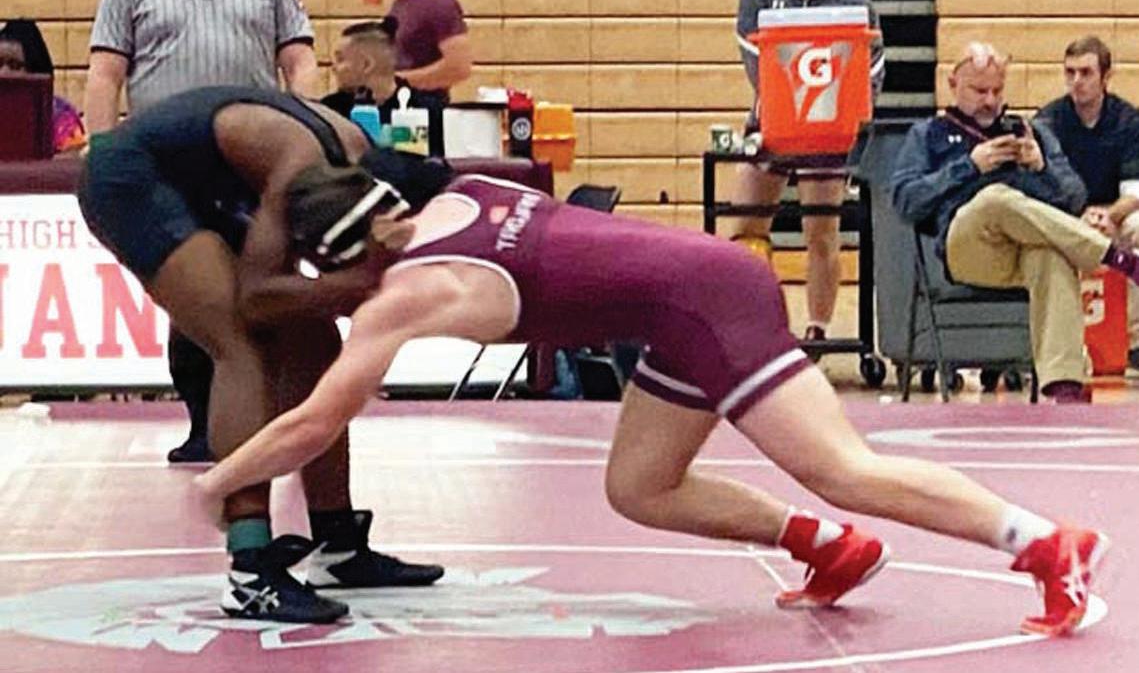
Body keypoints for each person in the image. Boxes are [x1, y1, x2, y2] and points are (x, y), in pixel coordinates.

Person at [195, 166, 1108, 637]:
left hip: (707, 305)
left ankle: (1043, 543)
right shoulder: (464, 197)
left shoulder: (411, 293)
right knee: (640, 484)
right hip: (684, 300)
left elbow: (315, 421)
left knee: (841, 466)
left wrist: (220, 480)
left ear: (341, 257)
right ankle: (827, 547)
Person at [77, 85, 450, 623]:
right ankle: (249, 570)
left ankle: (338, 545)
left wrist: (353, 284)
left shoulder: (344, 159)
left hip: (206, 180)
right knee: (239, 342)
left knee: (316, 341)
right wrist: (346, 286)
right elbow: (258, 296)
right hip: (131, 178)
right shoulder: (297, 166)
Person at [85, 0, 321, 463]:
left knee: (259, 285)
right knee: (195, 301)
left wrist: (305, 128)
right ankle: (202, 427)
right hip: (166, 165)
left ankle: (266, 422)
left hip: (248, 162)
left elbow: (299, 62)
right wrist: (101, 149)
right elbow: (105, 74)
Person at [891, 42, 1139, 403]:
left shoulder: (1029, 131)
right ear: (953, 85)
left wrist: (1041, 167)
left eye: (997, 91)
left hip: (1020, 253)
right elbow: (905, 201)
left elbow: (1074, 199)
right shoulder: (929, 134)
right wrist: (969, 166)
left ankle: (1065, 386)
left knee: (1051, 257)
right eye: (980, 91)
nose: (990, 101)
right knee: (995, 198)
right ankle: (1112, 257)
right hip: (968, 248)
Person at [732, 0, 885, 346]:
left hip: (827, 133)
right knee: (744, 227)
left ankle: (818, 328)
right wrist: (782, 108)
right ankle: (757, 322)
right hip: (772, 126)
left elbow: (873, 68)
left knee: (821, 231)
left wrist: (852, 122)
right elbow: (753, 59)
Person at [1035, 36, 1139, 368]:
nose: (1076, 81)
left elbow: (1134, 190)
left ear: (1106, 77)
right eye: (1070, 73)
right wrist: (1080, 217)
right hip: (1066, 214)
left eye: (1086, 73)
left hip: (1115, 212)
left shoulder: (1128, 121)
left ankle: (1135, 341)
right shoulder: (1048, 121)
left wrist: (1109, 217)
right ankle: (1051, 346)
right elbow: (1042, 186)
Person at [320, 18, 443, 125]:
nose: (334, 67)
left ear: (366, 65)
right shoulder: (329, 111)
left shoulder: (428, 111)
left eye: (340, 59)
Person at [0, 19, 87, 155]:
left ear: (34, 69)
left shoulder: (59, 115)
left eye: (15, 66)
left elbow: (72, 158)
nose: (4, 73)